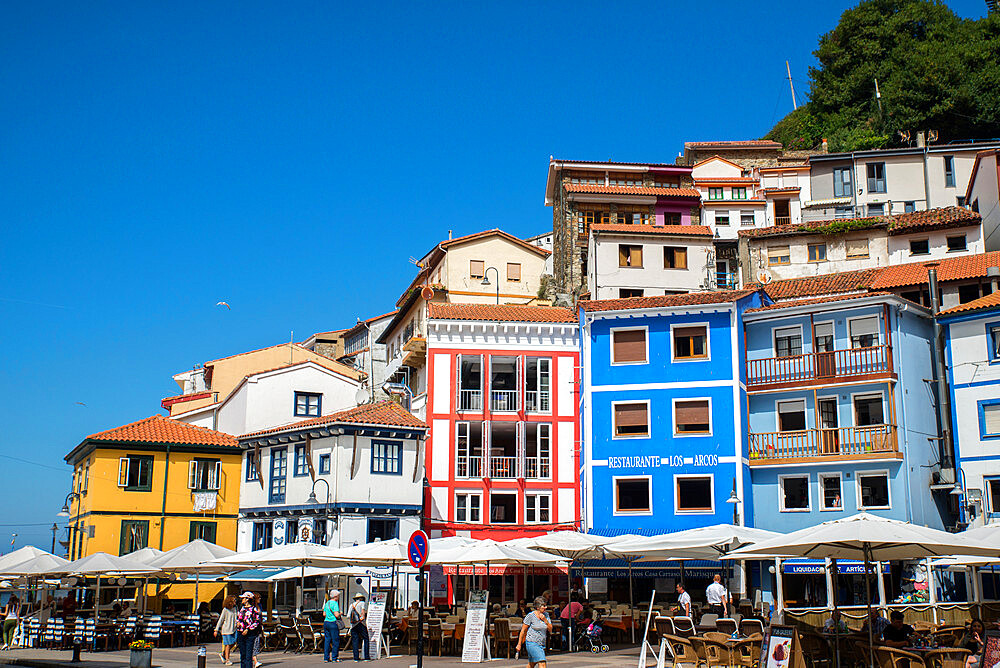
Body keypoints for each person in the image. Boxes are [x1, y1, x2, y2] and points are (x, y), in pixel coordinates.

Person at [516, 597, 553, 668]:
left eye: (546, 605)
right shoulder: (530, 616)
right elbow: (523, 630)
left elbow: (550, 629)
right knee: (542, 662)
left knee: (532, 663)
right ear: (538, 607)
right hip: (532, 643)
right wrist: (519, 644)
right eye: (544, 606)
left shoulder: (546, 615)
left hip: (541, 643)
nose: (546, 607)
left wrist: (545, 620)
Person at [236, 592, 261, 668]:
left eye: (243, 598)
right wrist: (238, 623)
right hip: (240, 632)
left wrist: (248, 629)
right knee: (242, 654)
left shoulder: (254, 609)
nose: (242, 600)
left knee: (248, 655)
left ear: (247, 599)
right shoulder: (242, 609)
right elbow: (239, 619)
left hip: (250, 634)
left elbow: (256, 622)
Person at [215, 596, 238, 665]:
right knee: (227, 644)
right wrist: (216, 629)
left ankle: (223, 654)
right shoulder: (225, 610)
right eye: (234, 600)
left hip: (234, 629)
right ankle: (227, 659)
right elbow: (221, 620)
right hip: (226, 629)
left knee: (234, 642)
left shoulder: (235, 608)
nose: (235, 601)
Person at [322, 590, 343, 663]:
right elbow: (336, 615)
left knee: (327, 640)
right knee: (335, 641)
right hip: (333, 623)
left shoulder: (327, 603)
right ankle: (334, 657)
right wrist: (340, 613)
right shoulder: (335, 603)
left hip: (326, 622)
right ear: (335, 596)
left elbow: (324, 614)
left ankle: (326, 658)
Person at [348, 593, 369, 662]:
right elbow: (363, 611)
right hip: (361, 623)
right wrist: (362, 617)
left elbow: (348, 616)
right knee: (365, 639)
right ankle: (366, 657)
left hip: (353, 625)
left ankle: (356, 658)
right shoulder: (362, 603)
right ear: (361, 598)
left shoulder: (351, 605)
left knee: (355, 641)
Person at [251, 593, 263, 668]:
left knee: (256, 643)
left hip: (258, 627)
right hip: (252, 627)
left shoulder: (260, 606)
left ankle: (254, 660)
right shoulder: (252, 607)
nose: (260, 599)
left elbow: (260, 615)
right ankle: (255, 661)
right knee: (253, 643)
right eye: (258, 598)